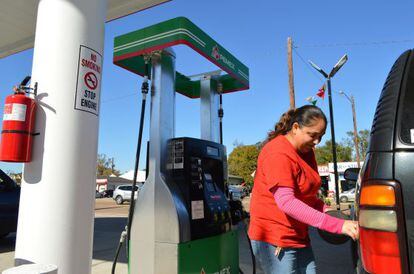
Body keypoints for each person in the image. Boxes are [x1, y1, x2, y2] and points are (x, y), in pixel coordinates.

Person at [248, 105, 359, 274]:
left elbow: (308, 197)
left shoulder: (306, 153)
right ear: (295, 128)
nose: (316, 142)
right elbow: (287, 202)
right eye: (312, 135)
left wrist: (328, 211)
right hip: (275, 238)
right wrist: (335, 225)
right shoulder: (277, 152)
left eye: (320, 137)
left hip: (299, 236)